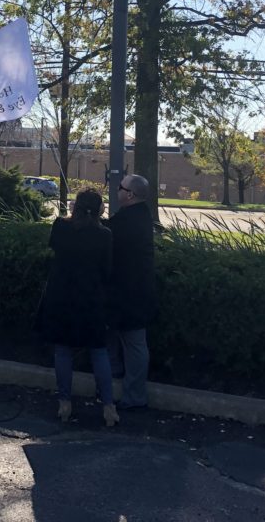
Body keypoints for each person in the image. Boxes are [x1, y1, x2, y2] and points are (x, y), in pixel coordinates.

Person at [36, 189, 119, 427]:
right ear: (100, 210)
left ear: (76, 207)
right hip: (91, 298)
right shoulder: (104, 235)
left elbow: (53, 249)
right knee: (98, 350)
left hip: (61, 295)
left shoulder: (60, 228)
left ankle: (64, 402)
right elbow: (107, 269)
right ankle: (108, 406)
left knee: (62, 350)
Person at [106, 173, 157, 410]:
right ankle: (116, 376)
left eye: (120, 187)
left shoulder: (128, 221)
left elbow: (107, 236)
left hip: (130, 294)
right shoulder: (140, 216)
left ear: (130, 194)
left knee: (135, 343)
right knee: (118, 338)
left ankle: (134, 396)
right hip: (133, 292)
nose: (116, 190)